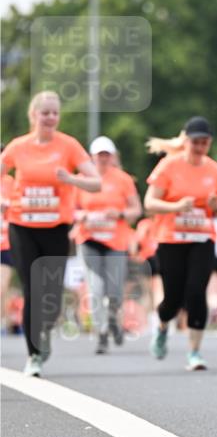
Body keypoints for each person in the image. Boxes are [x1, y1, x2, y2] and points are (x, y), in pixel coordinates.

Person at [0, 91, 100, 375]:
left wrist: (71, 179)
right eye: (45, 113)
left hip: (56, 227)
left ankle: (43, 333)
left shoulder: (68, 146)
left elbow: (96, 183)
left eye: (55, 113)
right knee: (33, 287)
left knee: (52, 294)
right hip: (22, 225)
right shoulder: (18, 147)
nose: (51, 118)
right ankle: (33, 356)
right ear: (33, 115)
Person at [144, 116, 217, 370]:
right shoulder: (168, 166)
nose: (200, 147)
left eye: (205, 143)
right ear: (186, 141)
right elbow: (149, 203)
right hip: (171, 239)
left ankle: (194, 352)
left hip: (202, 238)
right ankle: (162, 325)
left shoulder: (216, 170)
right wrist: (176, 206)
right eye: (196, 143)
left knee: (196, 292)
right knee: (173, 298)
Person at [72, 136, 142, 354]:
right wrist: (82, 215)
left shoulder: (123, 180)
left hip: (115, 240)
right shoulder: (81, 179)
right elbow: (68, 209)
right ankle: (102, 334)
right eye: (99, 155)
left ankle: (113, 320)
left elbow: (136, 210)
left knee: (114, 292)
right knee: (96, 288)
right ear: (91, 157)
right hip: (89, 239)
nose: (103, 159)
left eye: (106, 155)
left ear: (112, 157)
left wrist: (119, 213)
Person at [1, 156, 15, 333]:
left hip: (5, 242)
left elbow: (20, 203)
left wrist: (7, 206)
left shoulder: (11, 182)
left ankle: (2, 322)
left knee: (1, 286)